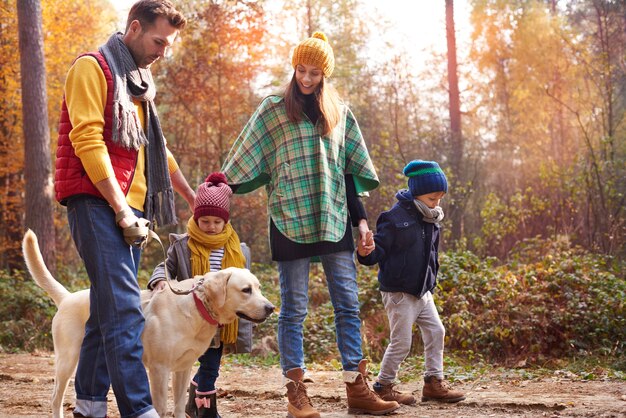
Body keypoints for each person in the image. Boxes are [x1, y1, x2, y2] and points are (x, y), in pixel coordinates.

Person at [220, 31, 400, 418]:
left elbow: (348, 173)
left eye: (314, 72)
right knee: (294, 310)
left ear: (325, 74)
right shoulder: (273, 109)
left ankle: (356, 387)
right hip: (288, 218)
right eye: (300, 70)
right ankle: (296, 393)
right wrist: (215, 192)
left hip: (333, 216)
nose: (305, 78)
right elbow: (242, 159)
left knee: (347, 306)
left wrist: (363, 223)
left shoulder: (339, 112)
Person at [53, 1, 195, 417]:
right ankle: (139, 409)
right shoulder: (91, 68)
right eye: (158, 42)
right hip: (97, 202)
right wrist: (120, 208)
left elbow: (157, 149)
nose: (162, 52)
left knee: (105, 311)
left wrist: (189, 195)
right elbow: (88, 141)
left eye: (168, 45)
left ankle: (90, 406)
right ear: (134, 28)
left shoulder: (138, 85)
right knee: (126, 311)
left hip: (131, 210)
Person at [356, 160, 466, 405]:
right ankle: (383, 385)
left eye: (440, 198)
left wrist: (431, 280)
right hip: (399, 292)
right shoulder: (393, 218)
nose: (436, 204)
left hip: (423, 291)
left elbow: (431, 255)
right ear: (416, 193)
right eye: (431, 198)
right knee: (402, 342)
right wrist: (365, 253)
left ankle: (433, 383)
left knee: (437, 331)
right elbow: (377, 252)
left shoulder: (431, 219)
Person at [147, 172, 251, 418]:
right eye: (205, 221)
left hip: (220, 316)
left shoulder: (237, 249)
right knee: (191, 360)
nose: (211, 227)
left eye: (217, 221)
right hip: (189, 318)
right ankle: (202, 407)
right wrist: (160, 279)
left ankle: (201, 400)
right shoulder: (183, 245)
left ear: (225, 222)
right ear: (196, 218)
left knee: (211, 366)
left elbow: (245, 283)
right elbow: (165, 266)